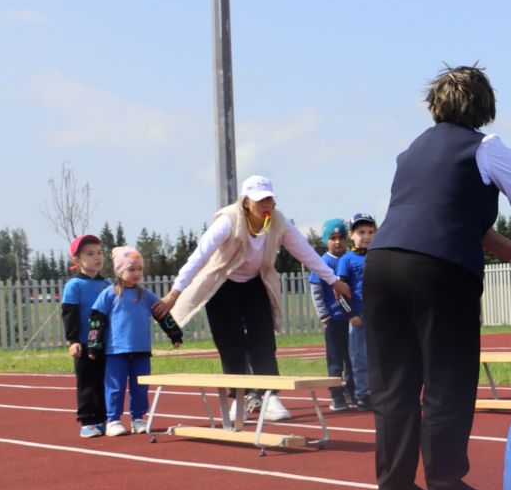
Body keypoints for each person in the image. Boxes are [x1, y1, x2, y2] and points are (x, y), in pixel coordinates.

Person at [366, 64, 511, 490]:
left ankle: (393, 486)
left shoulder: (411, 152)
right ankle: (445, 484)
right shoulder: (486, 147)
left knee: (395, 382)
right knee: (447, 377)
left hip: (381, 264)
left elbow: (446, 214)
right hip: (439, 269)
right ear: (484, 106)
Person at [153, 174, 354, 425]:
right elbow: (200, 256)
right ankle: (241, 396)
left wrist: (333, 280)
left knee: (263, 338)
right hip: (223, 283)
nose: (266, 205)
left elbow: (305, 251)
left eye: (270, 199)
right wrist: (175, 293)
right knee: (230, 342)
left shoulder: (278, 222)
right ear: (246, 202)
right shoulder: (229, 221)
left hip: (254, 283)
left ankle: (268, 394)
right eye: (260, 201)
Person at [85, 247, 183, 436]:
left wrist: (174, 334)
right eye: (132, 270)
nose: (137, 273)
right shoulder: (109, 294)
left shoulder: (145, 295)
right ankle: (113, 420)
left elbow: (161, 313)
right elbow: (96, 319)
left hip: (141, 350)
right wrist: (94, 345)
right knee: (115, 387)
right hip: (116, 352)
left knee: (140, 387)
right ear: (120, 272)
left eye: (139, 269)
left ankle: (138, 418)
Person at [60, 234, 110, 438]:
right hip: (84, 342)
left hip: (105, 343)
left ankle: (104, 418)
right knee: (87, 382)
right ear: (76, 260)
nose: (97, 257)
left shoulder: (106, 284)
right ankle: (88, 421)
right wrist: (73, 341)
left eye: (99, 252)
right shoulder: (74, 285)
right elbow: (69, 313)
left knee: (105, 381)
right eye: (90, 254)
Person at [309, 218, 356, 412]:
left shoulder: (350, 259)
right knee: (335, 360)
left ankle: (351, 392)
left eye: (341, 237)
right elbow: (316, 290)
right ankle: (336, 396)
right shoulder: (322, 262)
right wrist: (324, 315)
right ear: (326, 240)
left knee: (353, 358)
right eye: (333, 238)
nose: (337, 242)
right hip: (334, 320)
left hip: (352, 319)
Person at [339, 213, 376, 411]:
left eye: (371, 232)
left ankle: (380, 392)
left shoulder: (379, 257)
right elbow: (340, 291)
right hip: (359, 317)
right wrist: (350, 314)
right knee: (360, 357)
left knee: (380, 357)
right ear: (352, 234)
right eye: (361, 232)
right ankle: (363, 394)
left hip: (380, 316)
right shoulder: (347, 260)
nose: (366, 236)